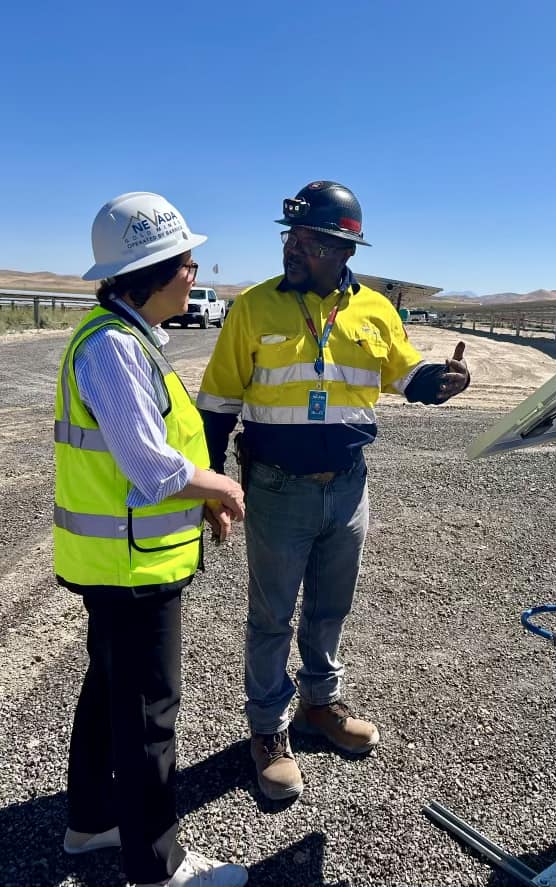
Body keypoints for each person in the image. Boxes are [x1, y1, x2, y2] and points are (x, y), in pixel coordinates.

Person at [197, 180, 469, 802]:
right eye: (290, 236)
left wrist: (442, 380)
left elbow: (406, 373)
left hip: (349, 488)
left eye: (309, 240)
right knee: (271, 617)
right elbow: (216, 405)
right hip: (275, 489)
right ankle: (267, 729)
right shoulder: (253, 308)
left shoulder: (375, 309)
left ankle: (319, 704)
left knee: (329, 608)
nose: (293, 247)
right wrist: (212, 486)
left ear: (343, 249)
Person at [54, 192, 249, 887]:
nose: (194, 272)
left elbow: (142, 458)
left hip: (122, 559)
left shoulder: (126, 338)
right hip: (130, 568)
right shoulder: (112, 347)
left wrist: (197, 503)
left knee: (110, 693)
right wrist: (219, 489)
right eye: (186, 261)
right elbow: (148, 463)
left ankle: (91, 821)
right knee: (148, 717)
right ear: (154, 272)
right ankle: (156, 867)